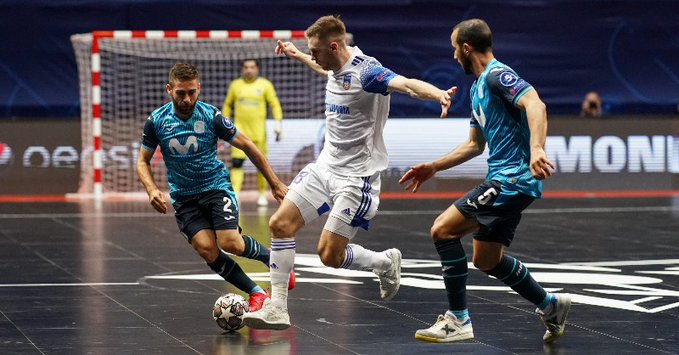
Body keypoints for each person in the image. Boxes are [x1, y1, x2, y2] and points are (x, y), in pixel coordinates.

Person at [242, 15, 456, 330]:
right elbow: (323, 68)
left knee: (329, 254)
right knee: (279, 225)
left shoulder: (368, 72)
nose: (313, 55)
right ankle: (277, 308)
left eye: (315, 50)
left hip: (357, 178)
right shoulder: (332, 64)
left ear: (334, 45)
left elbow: (406, 84)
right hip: (324, 166)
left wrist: (438, 94)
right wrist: (298, 55)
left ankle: (384, 262)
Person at [399, 19, 571, 344]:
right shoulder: (477, 88)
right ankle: (550, 306)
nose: (453, 57)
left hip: (512, 179)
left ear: (466, 48)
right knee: (486, 259)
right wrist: (433, 167)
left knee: (442, 230)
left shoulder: (496, 76)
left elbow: (535, 103)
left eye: (454, 49)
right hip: (505, 180)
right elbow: (474, 145)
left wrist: (536, 149)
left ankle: (458, 319)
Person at [136, 63, 293, 312]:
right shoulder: (156, 121)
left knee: (231, 243)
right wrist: (151, 189)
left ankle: (271, 259)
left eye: (192, 92)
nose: (187, 99)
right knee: (207, 249)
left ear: (199, 88)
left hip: (216, 188)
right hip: (184, 199)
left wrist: (275, 183)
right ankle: (257, 293)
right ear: (169, 89)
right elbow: (142, 161)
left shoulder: (211, 116)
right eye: (180, 93)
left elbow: (249, 146)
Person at [222, 59, 283, 207]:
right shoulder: (236, 86)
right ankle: (235, 194)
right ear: (242, 69)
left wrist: (278, 123)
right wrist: (224, 123)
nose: (249, 70)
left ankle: (262, 194)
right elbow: (227, 105)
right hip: (239, 134)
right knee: (236, 164)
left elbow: (275, 105)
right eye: (246, 67)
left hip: (258, 135)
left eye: (252, 67)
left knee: (262, 165)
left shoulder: (265, 85)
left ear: (257, 69)